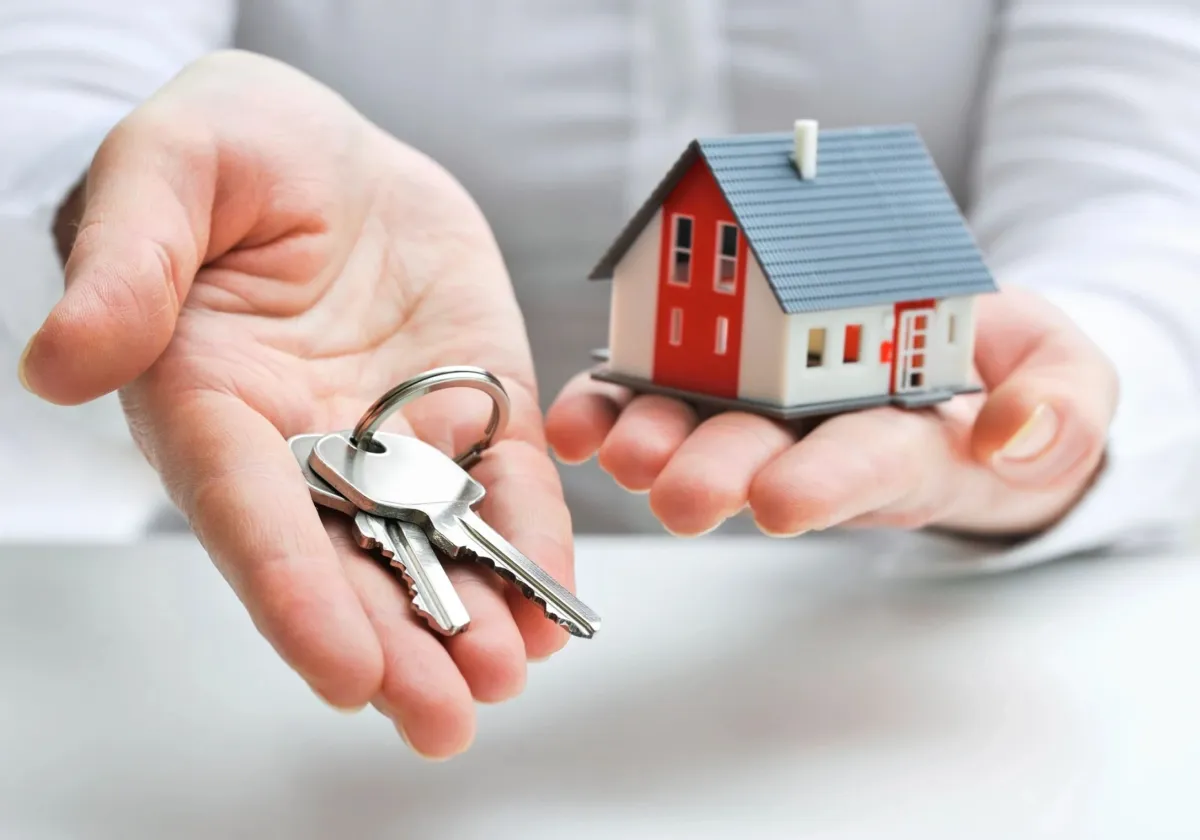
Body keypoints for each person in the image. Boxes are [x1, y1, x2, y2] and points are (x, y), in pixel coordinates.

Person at [3, 1, 1200, 759]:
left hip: (928, 678)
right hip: (206, 671)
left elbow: (1148, 199)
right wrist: (101, 197)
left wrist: (1071, 388)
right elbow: (45, 84)